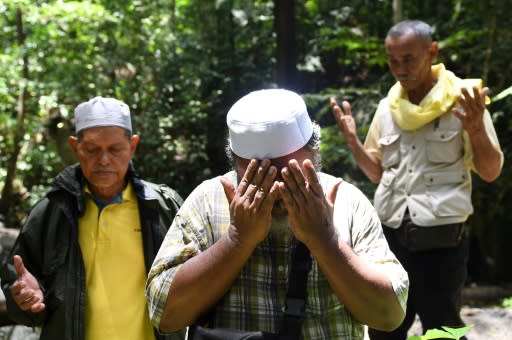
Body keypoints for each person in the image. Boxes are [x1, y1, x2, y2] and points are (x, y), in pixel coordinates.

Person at [145, 88, 409, 339]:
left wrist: (325, 241)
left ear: (314, 154)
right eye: (260, 177)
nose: (278, 191)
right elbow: (163, 315)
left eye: (290, 175)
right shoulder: (207, 202)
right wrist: (237, 240)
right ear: (236, 164)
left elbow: (389, 315)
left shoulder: (347, 202)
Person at [330, 20, 504, 339]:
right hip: (390, 237)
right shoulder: (387, 108)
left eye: (408, 58)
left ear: (431, 51)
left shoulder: (464, 100)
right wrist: (354, 141)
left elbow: (491, 171)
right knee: (385, 325)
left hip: (442, 239)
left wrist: (476, 128)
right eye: (392, 60)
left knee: (443, 327)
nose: (399, 68)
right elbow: (377, 173)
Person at [0, 97, 186, 340]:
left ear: (132, 146)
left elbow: (194, 286)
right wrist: (26, 300)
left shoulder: (163, 207)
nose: (104, 160)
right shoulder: (51, 213)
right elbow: (20, 288)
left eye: (115, 149)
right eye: (92, 149)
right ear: (75, 147)